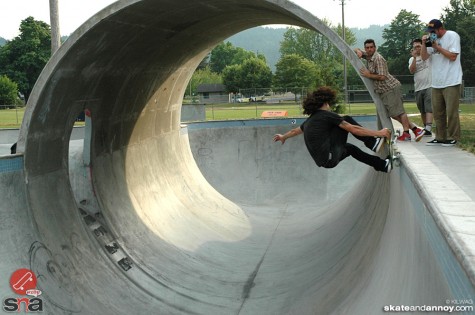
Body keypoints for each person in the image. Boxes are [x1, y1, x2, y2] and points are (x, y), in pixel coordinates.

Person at [273, 86, 392, 173]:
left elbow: (295, 131)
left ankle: (383, 165)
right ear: (325, 103)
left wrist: (283, 137)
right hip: (330, 155)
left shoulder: (310, 120)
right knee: (346, 120)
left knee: (351, 149)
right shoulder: (326, 115)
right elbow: (353, 129)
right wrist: (379, 133)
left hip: (327, 161)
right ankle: (372, 143)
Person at [354, 39, 425, 142]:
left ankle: (406, 133)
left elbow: (382, 76)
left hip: (390, 88)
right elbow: (355, 50)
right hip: (384, 90)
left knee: (399, 112)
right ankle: (415, 129)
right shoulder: (369, 56)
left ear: (375, 48)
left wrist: (369, 75)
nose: (369, 49)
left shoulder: (378, 58)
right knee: (393, 114)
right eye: (367, 48)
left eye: (371, 47)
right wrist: (358, 50)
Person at [421, 19, 462, 146]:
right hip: (436, 82)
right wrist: (424, 43)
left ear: (440, 29)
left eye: (433, 31)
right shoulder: (430, 40)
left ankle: (453, 136)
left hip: (451, 80)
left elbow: (453, 56)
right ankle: (440, 137)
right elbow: (424, 57)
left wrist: (437, 47)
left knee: (451, 112)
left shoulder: (452, 36)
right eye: (429, 32)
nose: (431, 34)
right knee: (438, 112)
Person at [409, 38, 433, 137]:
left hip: (429, 85)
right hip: (418, 87)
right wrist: (414, 58)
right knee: (422, 109)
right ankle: (425, 128)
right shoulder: (411, 59)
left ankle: (428, 128)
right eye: (415, 47)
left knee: (429, 108)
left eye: (418, 46)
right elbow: (412, 70)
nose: (417, 49)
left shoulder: (428, 56)